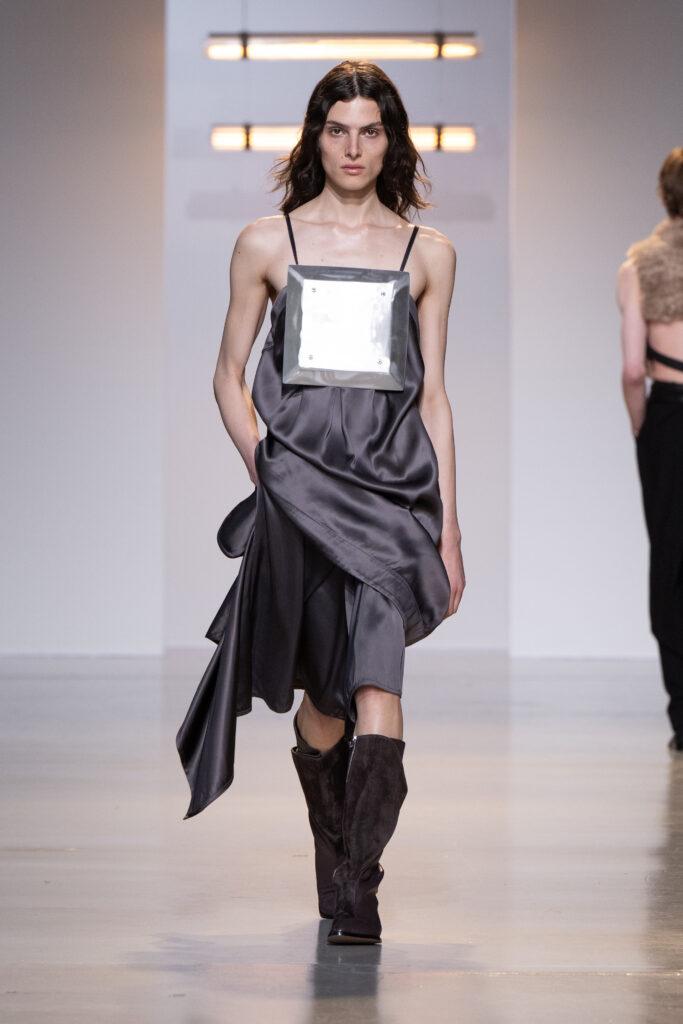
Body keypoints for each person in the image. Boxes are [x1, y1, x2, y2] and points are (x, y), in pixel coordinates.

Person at [176, 61, 465, 943]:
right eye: (338, 130)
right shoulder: (267, 243)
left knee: (377, 679)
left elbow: (433, 396)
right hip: (300, 500)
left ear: (391, 141)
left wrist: (449, 531)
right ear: (316, 138)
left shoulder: (427, 253)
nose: (353, 147)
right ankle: (333, 847)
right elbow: (226, 376)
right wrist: (265, 467)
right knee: (327, 701)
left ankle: (360, 889)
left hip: (393, 499)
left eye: (369, 131)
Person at [617, 146, 683, 753]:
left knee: (671, 558)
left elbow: (634, 369)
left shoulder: (640, 263)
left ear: (663, 195)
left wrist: (644, 429)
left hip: (670, 417)